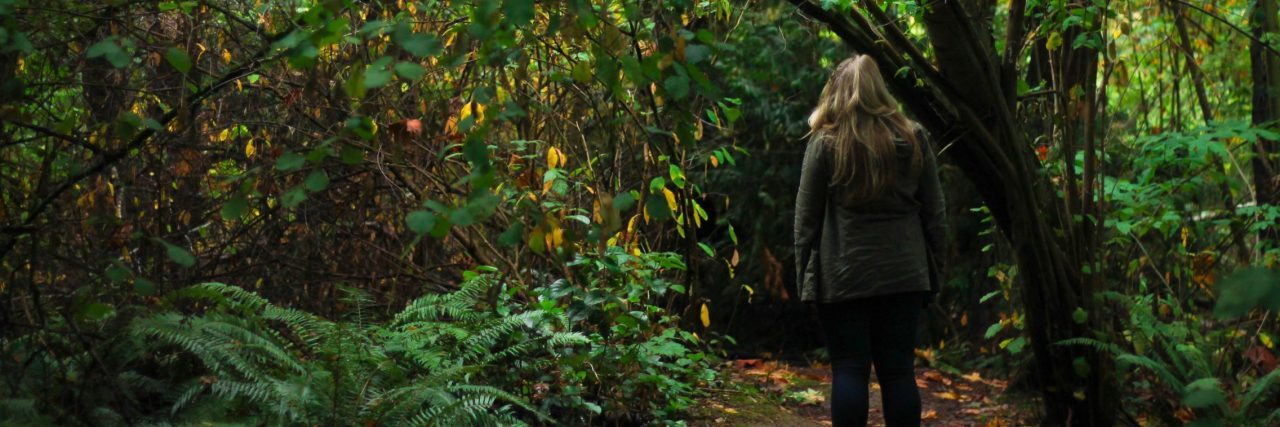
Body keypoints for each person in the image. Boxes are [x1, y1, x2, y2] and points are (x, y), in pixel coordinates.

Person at [793, 54, 948, 427]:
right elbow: (935, 214)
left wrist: (805, 282)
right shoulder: (914, 138)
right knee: (898, 372)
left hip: (843, 274)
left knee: (849, 369)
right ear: (881, 90)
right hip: (904, 275)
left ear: (838, 93)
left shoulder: (825, 143)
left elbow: (805, 220)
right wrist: (934, 273)